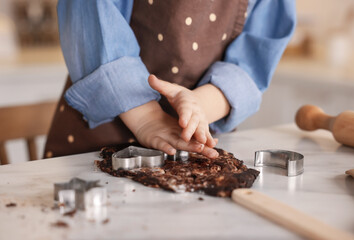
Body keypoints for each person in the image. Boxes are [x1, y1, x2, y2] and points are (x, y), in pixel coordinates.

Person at [44, 0, 296, 159]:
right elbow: (92, 18)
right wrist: (146, 118)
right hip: (98, 138)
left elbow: (254, 61)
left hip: (194, 139)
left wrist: (197, 109)